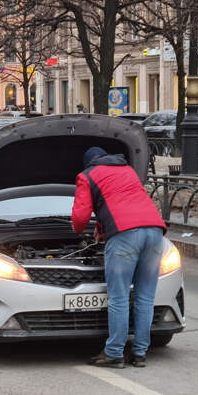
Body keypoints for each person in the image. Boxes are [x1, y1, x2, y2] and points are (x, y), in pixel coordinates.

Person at [72, 147, 167, 369]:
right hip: (154, 231)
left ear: (89, 163)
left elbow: (80, 218)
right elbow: (122, 202)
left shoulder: (86, 176)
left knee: (119, 297)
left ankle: (114, 352)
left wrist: (80, 229)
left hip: (125, 235)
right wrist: (102, 226)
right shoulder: (127, 170)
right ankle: (140, 352)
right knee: (145, 296)